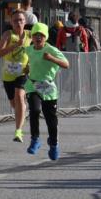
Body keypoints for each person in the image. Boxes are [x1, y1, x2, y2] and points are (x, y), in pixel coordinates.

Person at [25, 22, 70, 161]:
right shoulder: (29, 50)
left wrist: (51, 58)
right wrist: (25, 68)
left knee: (51, 121)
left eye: (41, 35)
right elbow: (27, 63)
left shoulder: (51, 50)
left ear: (46, 37)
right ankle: (35, 139)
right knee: (35, 110)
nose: (38, 38)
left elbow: (66, 64)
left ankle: (54, 144)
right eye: (35, 35)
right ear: (32, 37)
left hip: (48, 87)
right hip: (33, 85)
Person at [0, 10, 30, 143]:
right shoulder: (8, 35)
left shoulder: (30, 35)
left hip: (22, 73)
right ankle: (22, 113)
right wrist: (16, 45)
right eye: (15, 20)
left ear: (25, 22)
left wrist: (31, 65)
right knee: (14, 103)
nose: (18, 23)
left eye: (21, 20)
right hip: (8, 75)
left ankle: (18, 132)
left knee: (19, 96)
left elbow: (36, 50)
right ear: (11, 22)